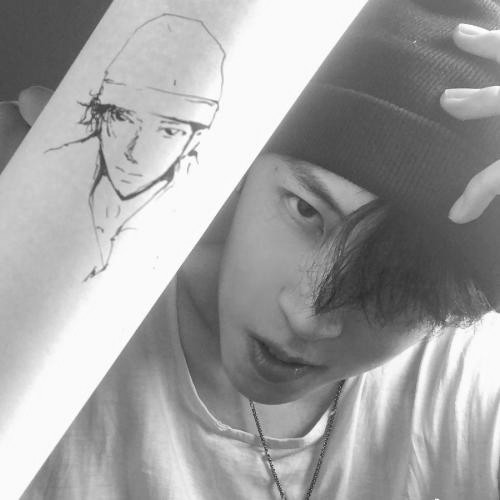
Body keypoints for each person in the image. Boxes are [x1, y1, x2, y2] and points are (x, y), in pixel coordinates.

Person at [1, 0, 500, 498]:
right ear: (246, 166)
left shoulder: (463, 379)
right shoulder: (63, 312)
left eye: (404, 277)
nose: (308, 318)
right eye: (305, 210)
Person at [51, 13, 225, 279]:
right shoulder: (47, 167)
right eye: (123, 118)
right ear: (102, 116)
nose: (134, 152)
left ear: (195, 140)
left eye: (168, 130)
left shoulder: (201, 215)